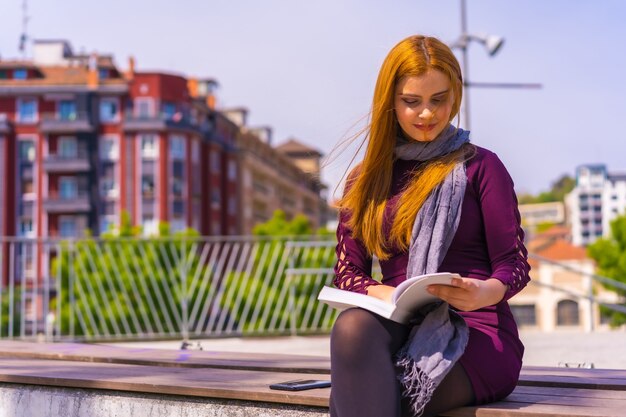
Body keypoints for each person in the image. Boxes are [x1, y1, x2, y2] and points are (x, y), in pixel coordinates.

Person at [329, 34, 530, 417]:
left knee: (376, 398)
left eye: (438, 100)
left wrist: (484, 291)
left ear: (455, 96)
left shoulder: (481, 167)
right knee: (353, 327)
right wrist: (382, 293)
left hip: (477, 331)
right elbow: (347, 272)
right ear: (390, 101)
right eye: (411, 102)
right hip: (398, 322)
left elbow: (514, 264)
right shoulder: (366, 178)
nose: (427, 114)